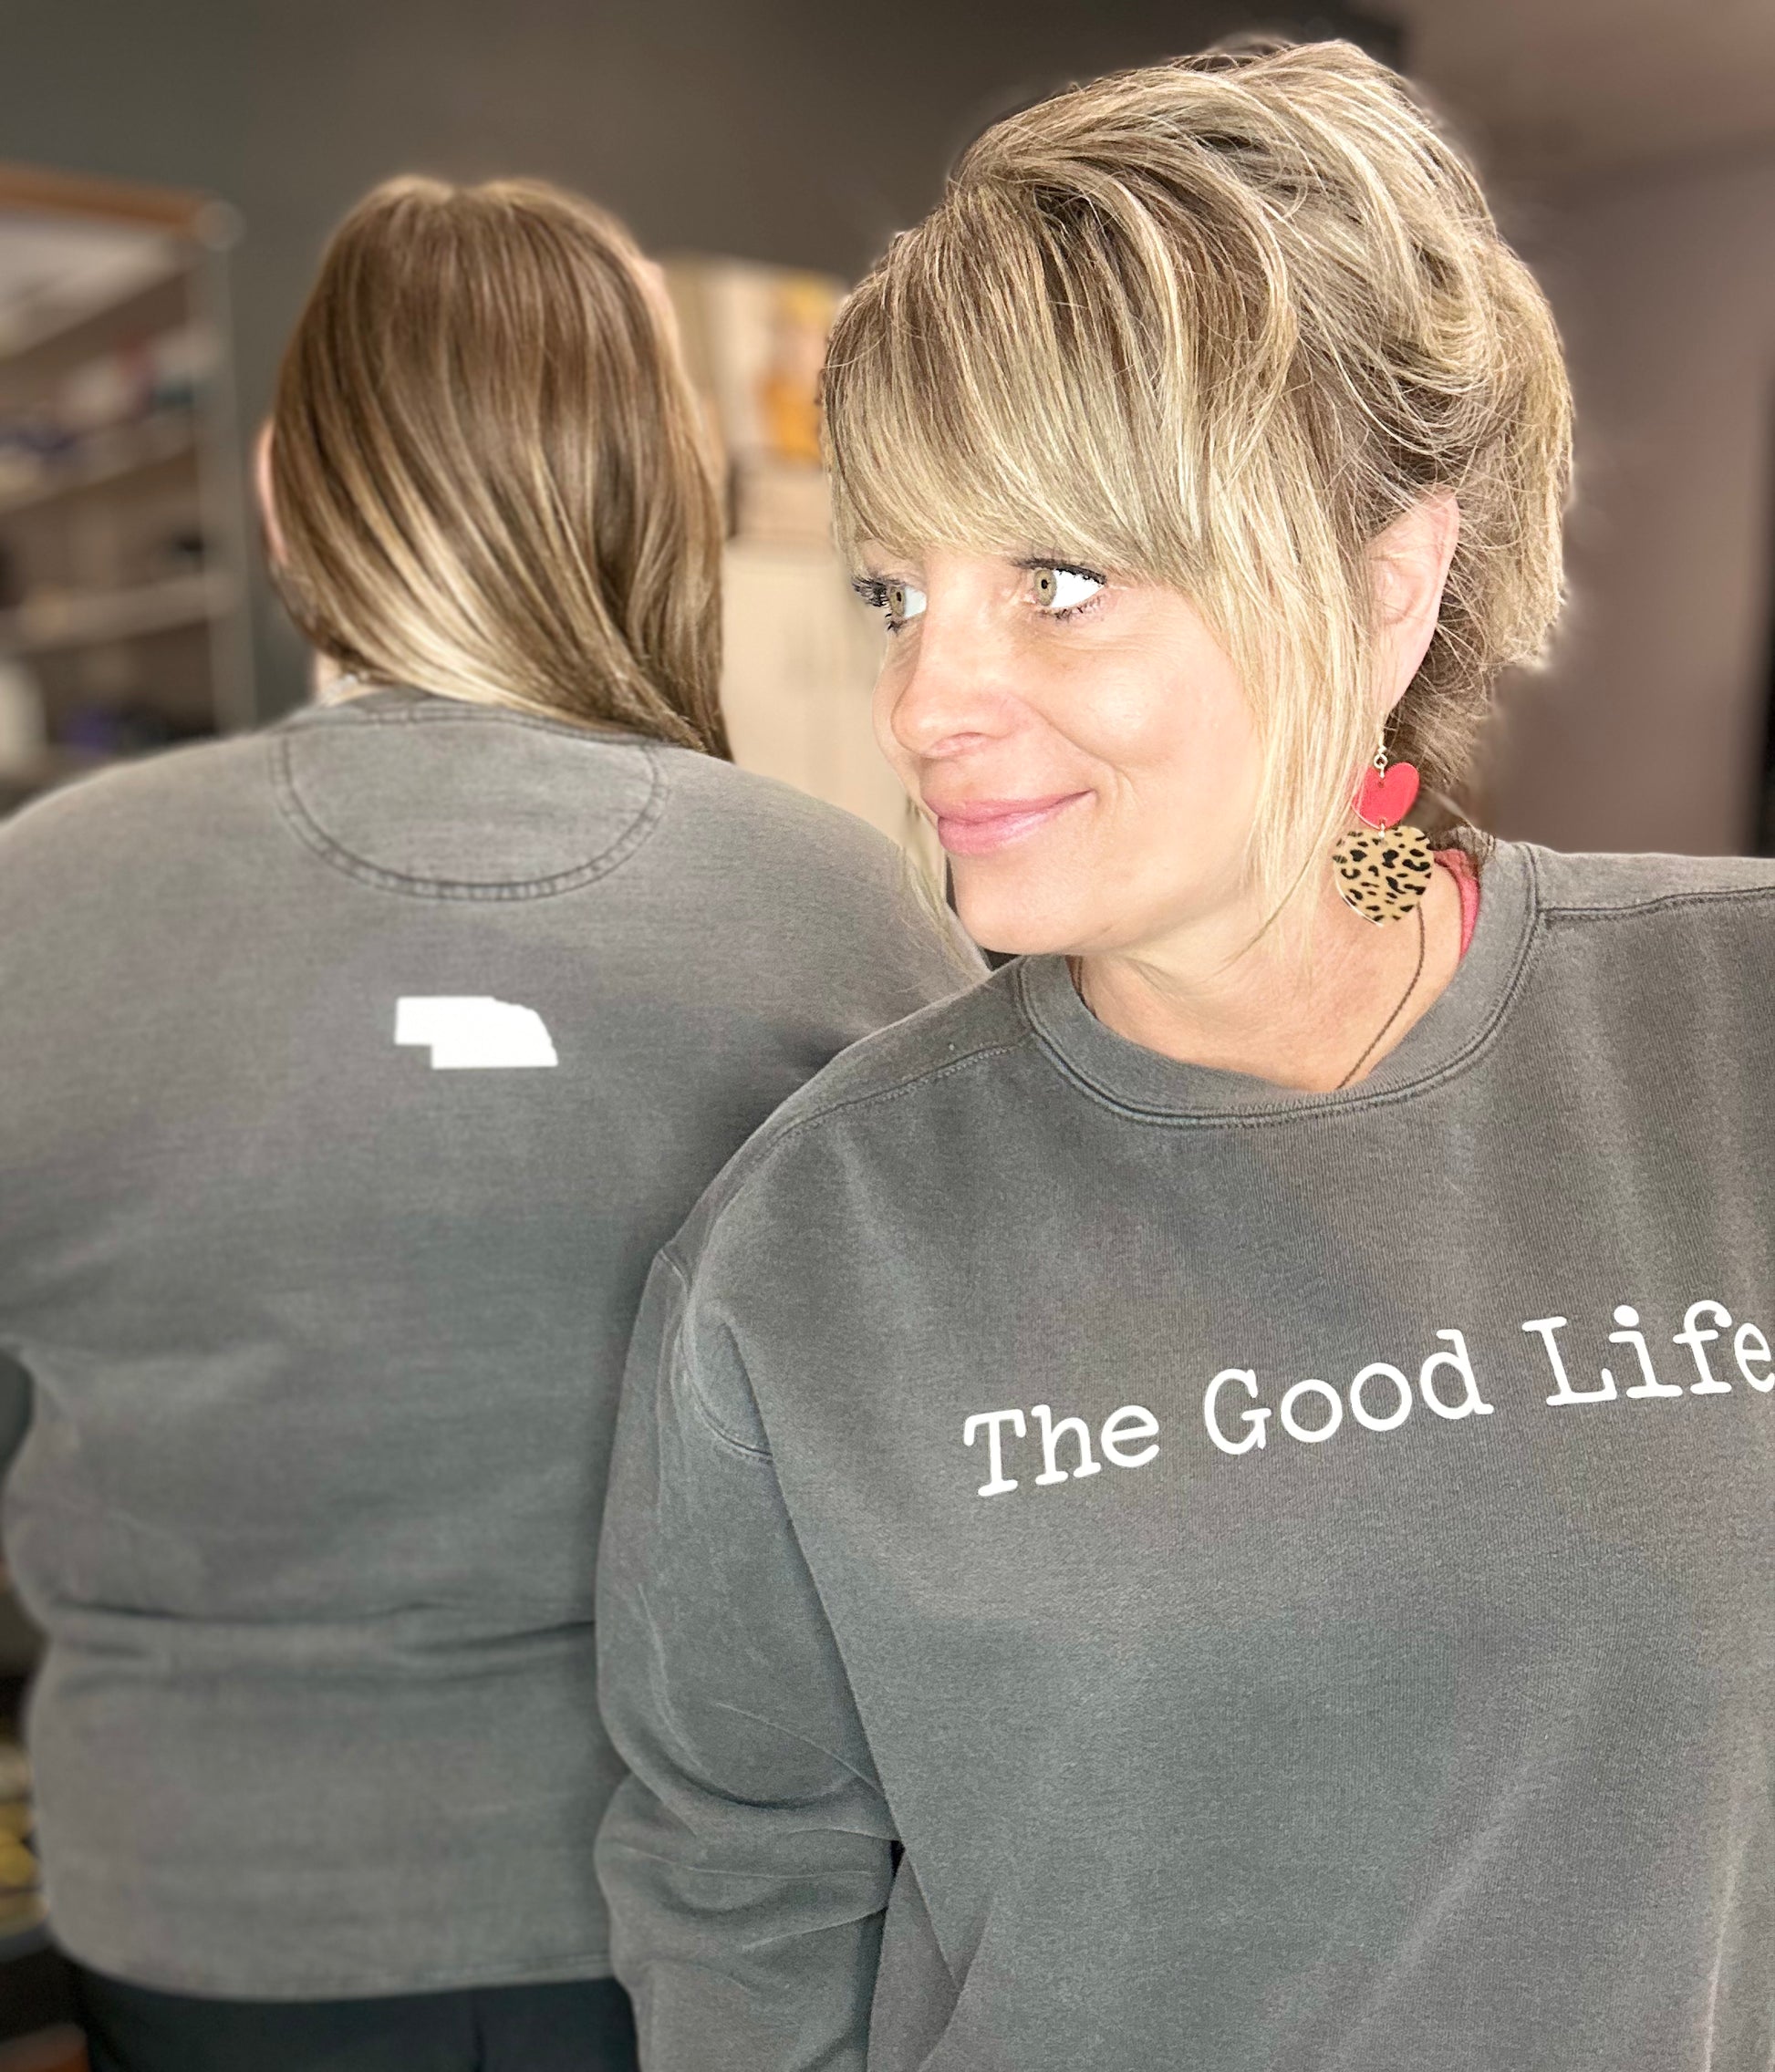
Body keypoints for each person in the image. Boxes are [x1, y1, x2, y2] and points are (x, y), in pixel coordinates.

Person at [593, 39, 1775, 2072]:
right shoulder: (811, 1250)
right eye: (897, 593)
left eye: (1057, 583)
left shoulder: (1728, 1031)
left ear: (1386, 583)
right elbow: (738, 1883)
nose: (924, 703)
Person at [0, 176, 973, 2072]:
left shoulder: (45, 896)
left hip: (206, 1916)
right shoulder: (838, 909)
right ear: (660, 491)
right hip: (699, 1924)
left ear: (281, 491)